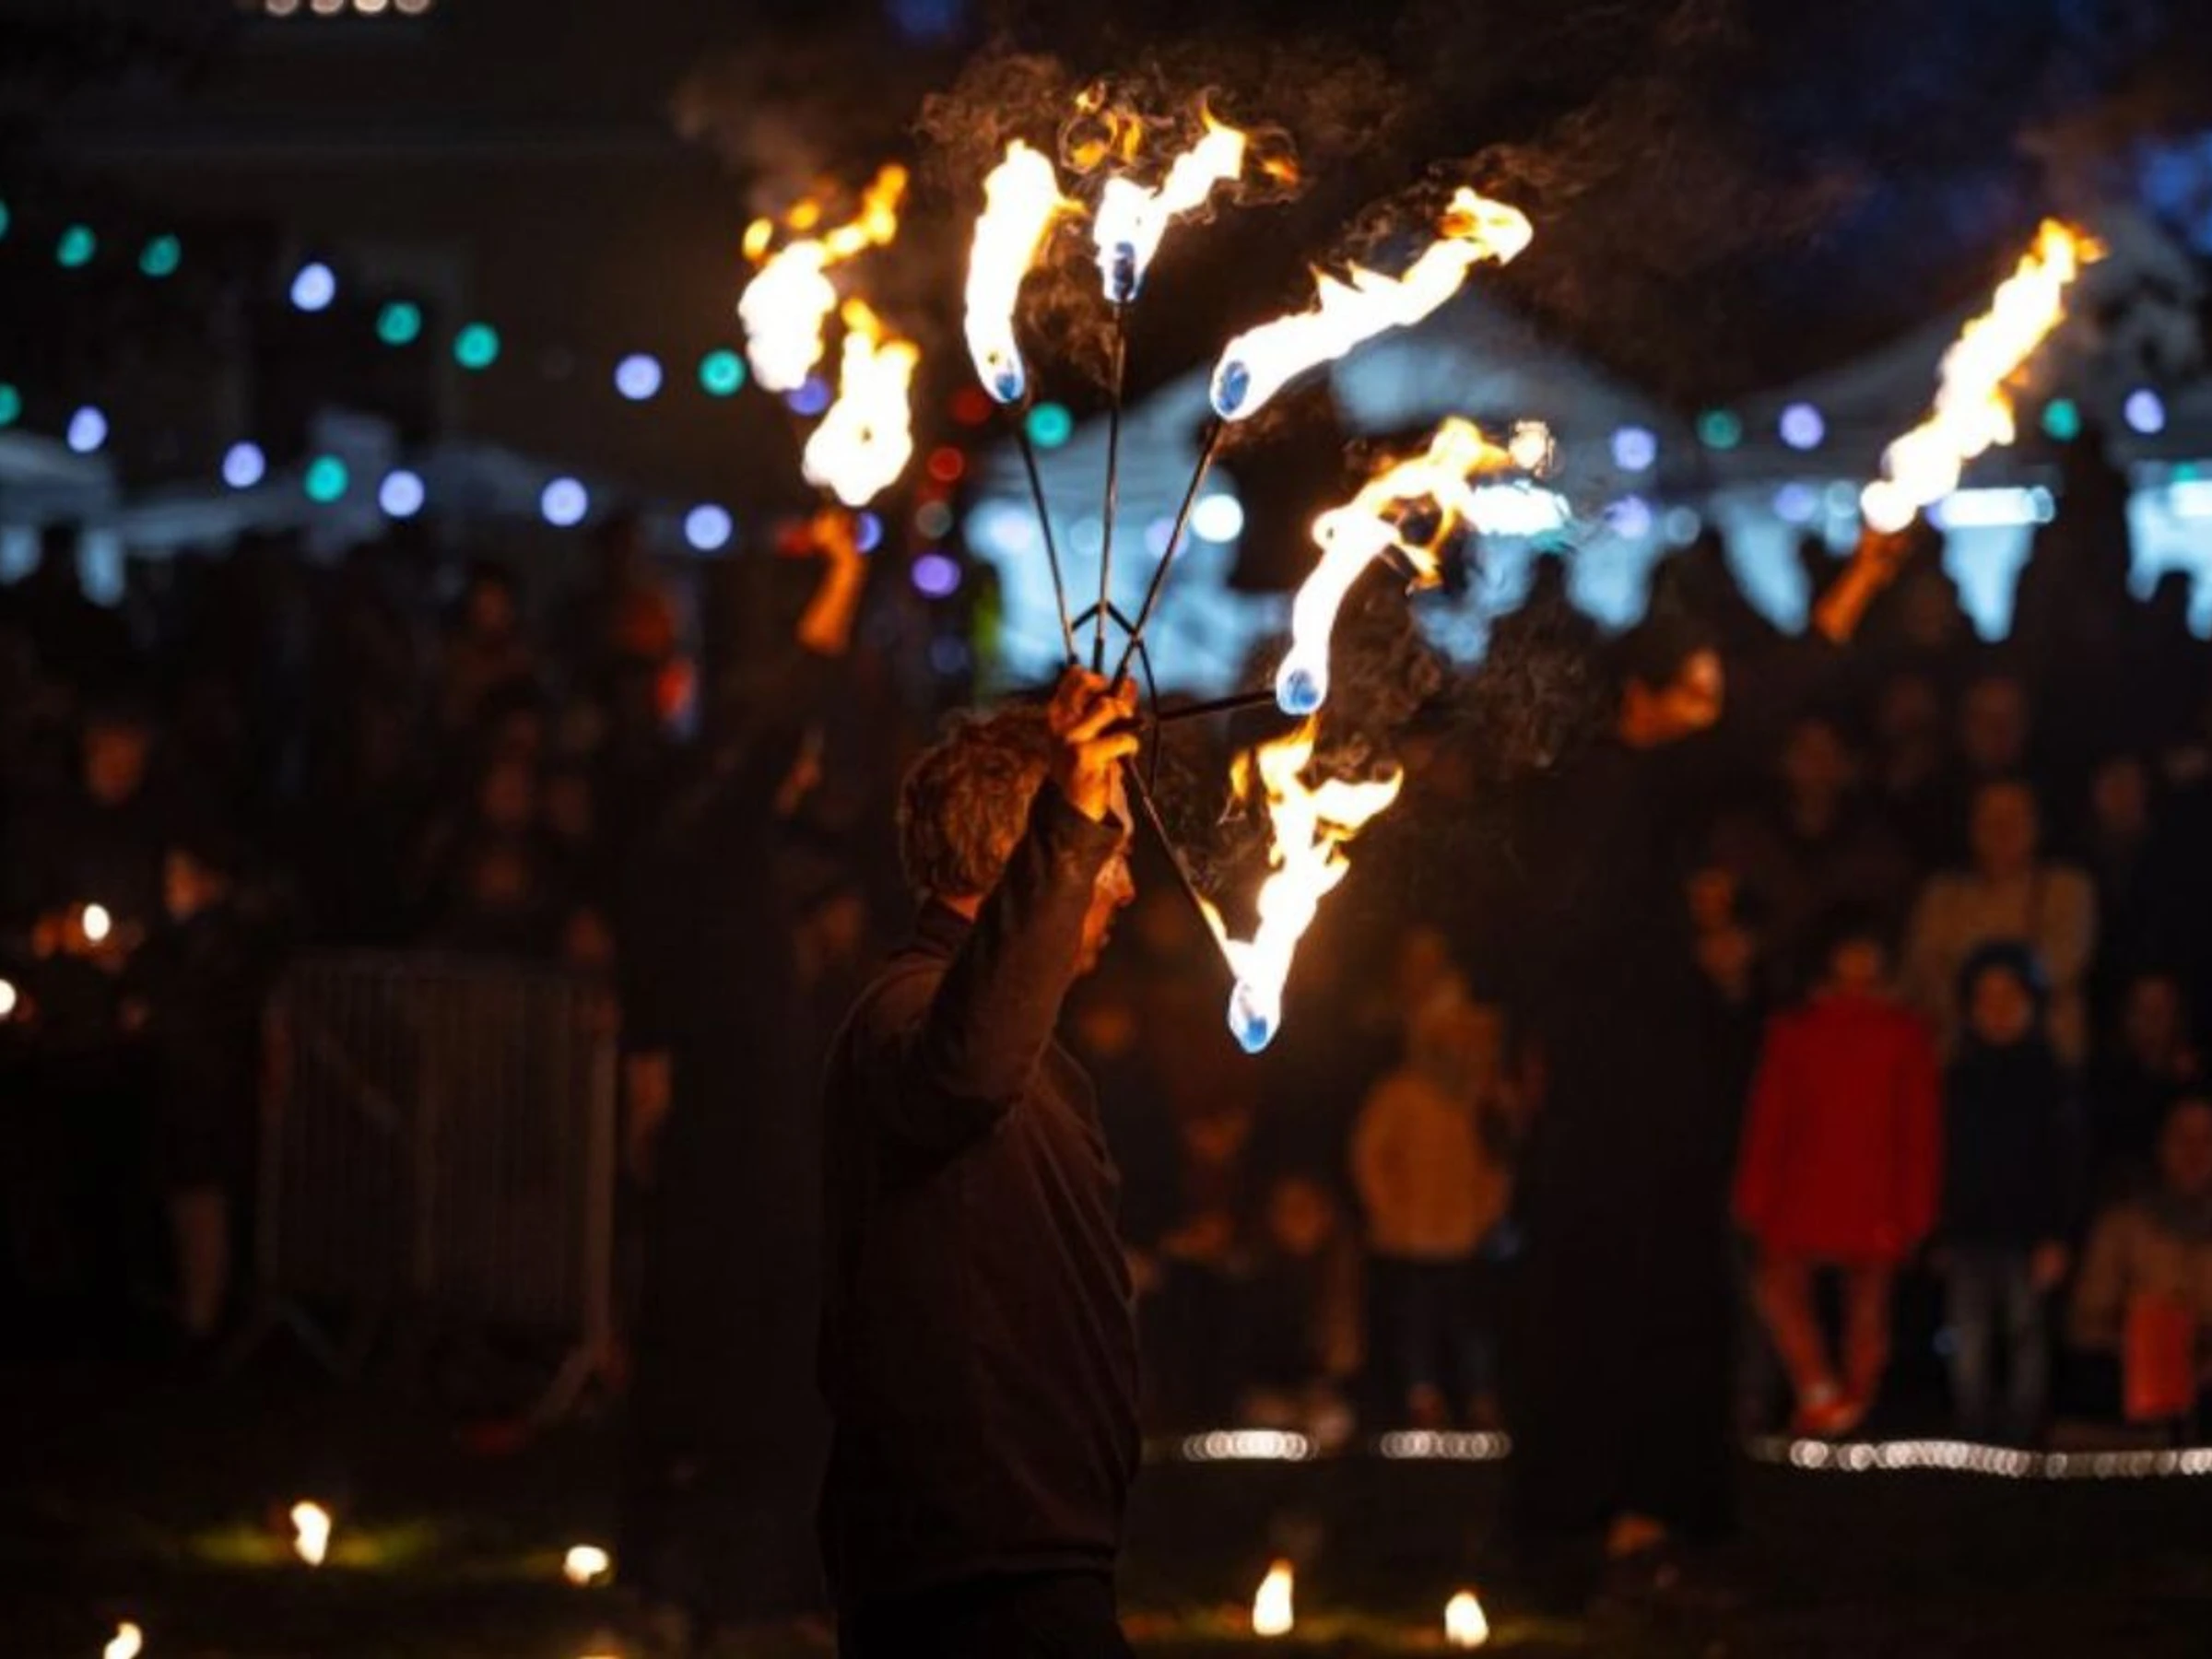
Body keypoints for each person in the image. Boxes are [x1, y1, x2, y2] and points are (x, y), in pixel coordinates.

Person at [818, 665, 1142, 1659]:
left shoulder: (1001, 1038)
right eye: (1109, 850)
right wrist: (1072, 819)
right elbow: (965, 1070)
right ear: (1023, 852)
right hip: (972, 1572)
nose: (1123, 886)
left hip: (1019, 1552)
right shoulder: (907, 1015)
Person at [1500, 617, 1740, 1603]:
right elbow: (1565, 942)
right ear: (1641, 696)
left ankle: (1623, 1512)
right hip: (1614, 1099)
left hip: (1639, 1088)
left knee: (1643, 1294)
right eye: (1697, 692)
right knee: (1625, 1298)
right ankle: (1613, 1517)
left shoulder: (1631, 796)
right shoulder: (1611, 791)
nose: (1713, 714)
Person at [1733, 913, 1942, 1436]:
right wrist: (1755, 1193)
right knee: (1780, 1288)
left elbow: (1919, 1128)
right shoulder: (1797, 1031)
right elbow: (1771, 1117)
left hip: (1872, 1189)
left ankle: (1850, 1405)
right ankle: (1822, 1392)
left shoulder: (1902, 1034)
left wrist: (1916, 1206)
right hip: (1806, 1185)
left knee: (1867, 1307)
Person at [1351, 980, 1515, 1428]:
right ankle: (1421, 1398)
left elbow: (1496, 1158)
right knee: (1415, 1325)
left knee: (1471, 1324)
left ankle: (1480, 1397)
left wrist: (1488, 1209)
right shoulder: (1399, 1094)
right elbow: (1370, 1155)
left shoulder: (1479, 1097)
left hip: (1463, 1235)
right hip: (1412, 1237)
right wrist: (1389, 1208)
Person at [1936, 944, 2077, 1444]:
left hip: (2027, 1234)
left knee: (2025, 1335)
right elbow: (1945, 1161)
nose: (1996, 1011)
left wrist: (2057, 1235)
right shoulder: (1957, 1079)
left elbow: (2064, 1165)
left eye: (2009, 997)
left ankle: (2022, 1437)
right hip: (1969, 1232)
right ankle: (1972, 1436)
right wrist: (1942, 1231)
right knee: (1968, 1337)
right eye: (1985, 999)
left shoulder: (2051, 1080)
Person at [1902, 777, 2097, 1065]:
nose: (2002, 829)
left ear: (2037, 826)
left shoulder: (2067, 889)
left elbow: (2063, 961)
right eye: (1989, 819)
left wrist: (1998, 1003)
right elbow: (1923, 966)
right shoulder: (1942, 894)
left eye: (2015, 818)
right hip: (1957, 1055)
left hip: (2042, 1058)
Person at [2066, 1098, 2212, 1429]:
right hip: (2134, 1386)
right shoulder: (2123, 1227)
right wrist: (2143, 1349)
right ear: (2161, 1146)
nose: (2195, 1153)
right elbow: (2085, 1320)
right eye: (2182, 1139)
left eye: (2207, 1140)